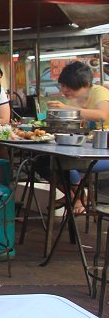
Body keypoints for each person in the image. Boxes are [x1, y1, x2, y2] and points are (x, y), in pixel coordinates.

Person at [47, 60, 109, 213]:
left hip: (104, 150)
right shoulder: (75, 99)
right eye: (62, 86)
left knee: (64, 162)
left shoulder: (99, 92)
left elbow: (102, 115)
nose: (65, 90)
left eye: (70, 87)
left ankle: (78, 198)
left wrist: (67, 108)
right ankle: (74, 196)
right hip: (85, 146)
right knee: (42, 162)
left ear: (86, 85)